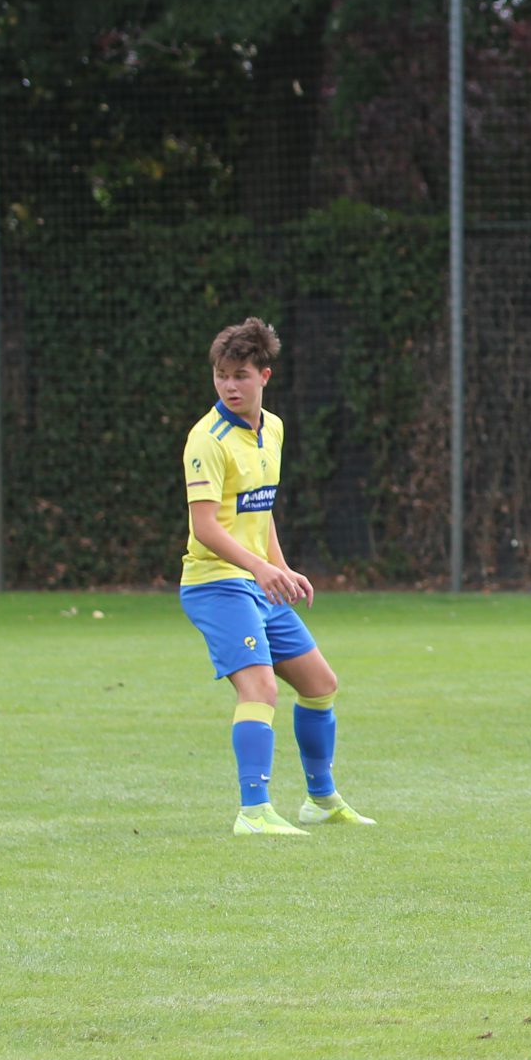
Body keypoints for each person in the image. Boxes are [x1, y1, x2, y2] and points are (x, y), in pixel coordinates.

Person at [177, 318, 374, 834]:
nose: (229, 386)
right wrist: (261, 568)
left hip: (255, 580)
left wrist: (280, 567)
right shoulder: (207, 440)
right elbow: (205, 527)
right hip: (216, 584)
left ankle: (321, 800)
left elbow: (258, 510)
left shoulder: (274, 429)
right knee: (260, 689)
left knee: (320, 684)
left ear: (264, 376)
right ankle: (254, 811)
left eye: (240, 375)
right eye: (221, 375)